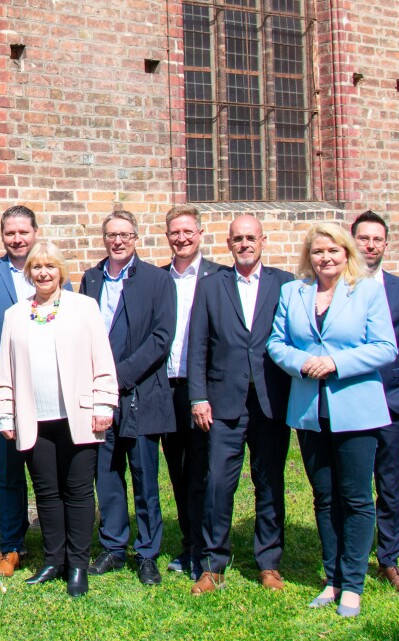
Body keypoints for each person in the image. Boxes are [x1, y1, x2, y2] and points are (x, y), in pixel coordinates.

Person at [267, 222, 396, 617]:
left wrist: (336, 362)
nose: (326, 258)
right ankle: (332, 578)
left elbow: (386, 347)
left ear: (347, 254)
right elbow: (276, 342)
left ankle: (353, 584)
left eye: (334, 251)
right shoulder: (294, 292)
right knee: (324, 497)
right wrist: (301, 362)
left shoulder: (368, 291)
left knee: (356, 498)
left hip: (355, 409)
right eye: (318, 252)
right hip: (310, 410)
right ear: (310, 256)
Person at [0, 241, 118, 597]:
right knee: (46, 493)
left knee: (78, 493)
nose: (43, 273)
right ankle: (53, 560)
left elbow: (102, 361)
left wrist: (103, 405)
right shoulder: (15, 314)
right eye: (36, 267)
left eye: (50, 266)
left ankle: (78, 565)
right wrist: (5, 409)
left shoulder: (84, 308)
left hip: (78, 416)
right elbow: (6, 368)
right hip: (36, 418)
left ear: (61, 271)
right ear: (28, 272)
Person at [186, 214, 294, 594]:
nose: (244, 244)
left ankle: (269, 563)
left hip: (270, 401)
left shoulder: (286, 285)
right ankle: (213, 563)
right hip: (223, 403)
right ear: (228, 244)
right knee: (217, 482)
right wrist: (198, 396)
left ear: (263, 241)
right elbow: (197, 344)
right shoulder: (212, 286)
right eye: (237, 239)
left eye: (250, 238)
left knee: (269, 482)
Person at [79, 210, 176, 586]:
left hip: (141, 394)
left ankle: (148, 551)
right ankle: (114, 546)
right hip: (100, 398)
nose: (117, 241)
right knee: (106, 473)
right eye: (111, 235)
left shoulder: (156, 280)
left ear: (136, 238)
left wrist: (117, 376)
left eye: (124, 235)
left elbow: (161, 337)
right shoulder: (90, 279)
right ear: (104, 239)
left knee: (144, 475)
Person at [0, 206, 67, 576]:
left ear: (35, 231)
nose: (16, 239)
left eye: (23, 232)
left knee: (52, 471)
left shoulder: (53, 269)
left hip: (50, 392)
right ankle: (11, 546)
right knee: (10, 472)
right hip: (5, 390)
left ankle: (55, 546)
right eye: (9, 233)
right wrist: (9, 373)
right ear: (2, 236)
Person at [351, 210, 399, 596]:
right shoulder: (339, 285)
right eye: (363, 238)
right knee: (350, 483)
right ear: (353, 241)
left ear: (385, 244)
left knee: (389, 483)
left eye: (376, 239)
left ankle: (389, 559)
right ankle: (350, 555)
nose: (369, 245)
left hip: (392, 401)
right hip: (349, 399)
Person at [157, 204, 221, 576]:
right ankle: (188, 544)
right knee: (178, 471)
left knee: (204, 471)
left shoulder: (219, 277)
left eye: (188, 232)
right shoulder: (160, 278)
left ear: (200, 234)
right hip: (167, 388)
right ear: (167, 237)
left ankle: (206, 546)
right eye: (174, 233)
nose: (182, 238)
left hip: (204, 391)